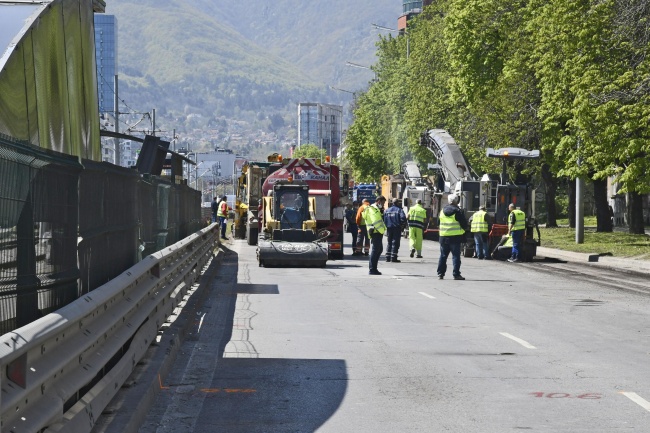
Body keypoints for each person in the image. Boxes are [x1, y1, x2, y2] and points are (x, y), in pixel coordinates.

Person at [437, 194, 469, 280]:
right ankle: (456, 274)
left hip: (443, 237)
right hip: (455, 237)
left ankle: (440, 273)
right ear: (457, 201)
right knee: (456, 257)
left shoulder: (442, 211)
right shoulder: (458, 211)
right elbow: (464, 224)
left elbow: (438, 223)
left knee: (443, 256)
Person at [363, 196, 387, 275]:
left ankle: (374, 268)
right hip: (376, 232)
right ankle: (372, 269)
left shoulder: (376, 209)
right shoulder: (373, 209)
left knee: (379, 250)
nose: (383, 205)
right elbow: (376, 221)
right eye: (383, 203)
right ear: (379, 201)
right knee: (375, 250)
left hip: (377, 232)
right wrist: (382, 230)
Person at [384, 198, 406, 262]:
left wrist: (387, 225)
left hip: (389, 228)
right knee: (395, 242)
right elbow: (403, 219)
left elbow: (384, 220)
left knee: (389, 242)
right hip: (396, 228)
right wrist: (402, 226)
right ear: (398, 203)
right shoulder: (399, 210)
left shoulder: (387, 210)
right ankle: (393, 257)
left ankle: (388, 257)